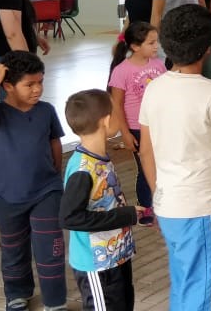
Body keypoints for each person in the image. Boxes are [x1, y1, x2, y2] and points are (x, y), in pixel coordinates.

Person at [137, 4, 211, 311]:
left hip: (169, 204)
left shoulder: (154, 89)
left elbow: (146, 151)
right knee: (207, 291)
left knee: (185, 283)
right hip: (201, 207)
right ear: (209, 47)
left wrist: (158, 194)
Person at [0, 51, 68, 311]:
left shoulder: (46, 111)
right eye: (29, 84)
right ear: (8, 86)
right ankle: (17, 294)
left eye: (40, 82)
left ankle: (55, 302)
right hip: (6, 196)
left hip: (46, 192)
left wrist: (55, 176)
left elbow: (54, 142)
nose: (37, 89)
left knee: (51, 249)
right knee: (13, 249)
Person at [60, 89, 143, 311]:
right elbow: (70, 217)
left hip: (116, 256)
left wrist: (134, 215)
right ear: (106, 121)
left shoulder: (100, 158)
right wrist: (125, 215)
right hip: (97, 265)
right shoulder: (82, 170)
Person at [107, 21, 166, 227]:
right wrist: (125, 133)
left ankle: (163, 203)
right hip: (137, 128)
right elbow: (116, 104)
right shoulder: (122, 70)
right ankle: (146, 206)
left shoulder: (158, 65)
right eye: (151, 43)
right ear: (135, 46)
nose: (156, 46)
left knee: (163, 165)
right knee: (145, 167)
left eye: (156, 41)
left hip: (160, 125)